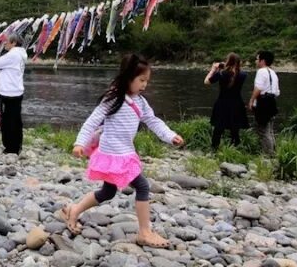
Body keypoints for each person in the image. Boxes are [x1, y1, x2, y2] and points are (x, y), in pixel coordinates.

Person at [62, 54, 184, 249]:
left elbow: (153, 121)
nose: (145, 85)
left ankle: (74, 209)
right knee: (143, 187)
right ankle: (144, 232)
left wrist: (170, 136)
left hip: (124, 153)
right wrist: (79, 143)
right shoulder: (113, 99)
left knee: (108, 191)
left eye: (147, 81)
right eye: (141, 80)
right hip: (114, 155)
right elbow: (92, 121)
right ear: (129, 78)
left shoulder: (140, 102)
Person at [204, 52, 249, 150]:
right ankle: (235, 148)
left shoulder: (221, 74)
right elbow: (236, 72)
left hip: (222, 103)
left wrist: (213, 70)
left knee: (218, 128)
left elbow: (206, 81)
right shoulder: (243, 75)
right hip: (237, 103)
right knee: (235, 128)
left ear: (227, 61)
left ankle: (214, 149)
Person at [0, 33, 27, 154]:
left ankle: (10, 147)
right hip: (17, 91)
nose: (5, 43)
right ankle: (17, 145)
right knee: (16, 120)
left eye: (7, 41)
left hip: (8, 92)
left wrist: (1, 66)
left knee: (7, 121)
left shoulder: (13, 54)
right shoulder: (22, 53)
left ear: (14, 43)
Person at [249, 50, 280, 156]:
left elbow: (258, 88)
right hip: (272, 101)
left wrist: (252, 100)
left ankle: (268, 154)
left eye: (257, 59)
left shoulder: (261, 71)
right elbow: (277, 92)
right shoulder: (273, 73)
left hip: (263, 102)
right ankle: (274, 152)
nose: (256, 61)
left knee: (263, 130)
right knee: (270, 130)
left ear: (262, 60)